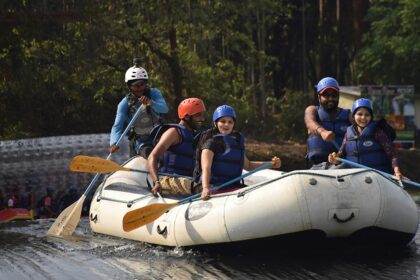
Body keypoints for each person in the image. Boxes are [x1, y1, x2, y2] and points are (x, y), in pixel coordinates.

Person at [195, 105, 281, 200]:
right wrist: (205, 188)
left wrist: (271, 164)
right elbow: (206, 169)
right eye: (223, 121)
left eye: (230, 122)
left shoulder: (236, 142)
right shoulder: (210, 143)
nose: (227, 125)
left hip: (232, 187)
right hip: (214, 187)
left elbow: (248, 166)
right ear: (216, 123)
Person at [328, 98, 403, 179]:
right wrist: (334, 160)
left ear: (371, 117)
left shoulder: (377, 132)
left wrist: (397, 171)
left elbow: (392, 155)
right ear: (353, 116)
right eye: (359, 114)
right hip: (355, 178)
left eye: (367, 115)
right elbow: (340, 156)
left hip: (377, 177)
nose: (363, 117)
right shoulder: (348, 133)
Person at [110, 58, 169, 158]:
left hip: (159, 138)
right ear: (129, 86)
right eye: (136, 86)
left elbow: (164, 109)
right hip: (141, 143)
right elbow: (117, 126)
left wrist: (151, 103)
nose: (140, 88)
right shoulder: (124, 104)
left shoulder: (154, 93)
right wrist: (114, 142)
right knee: (151, 154)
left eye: (142, 84)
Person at [147, 97, 206, 196]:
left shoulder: (195, 135)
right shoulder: (173, 132)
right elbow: (152, 157)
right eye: (198, 115)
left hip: (188, 180)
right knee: (201, 188)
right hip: (167, 179)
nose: (202, 119)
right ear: (187, 117)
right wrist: (156, 182)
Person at [304, 77, 352, 168]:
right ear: (319, 97)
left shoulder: (348, 114)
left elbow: (360, 126)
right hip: (317, 166)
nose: (331, 98)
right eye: (326, 95)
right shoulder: (312, 110)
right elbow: (310, 122)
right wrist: (322, 132)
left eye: (334, 95)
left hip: (342, 166)